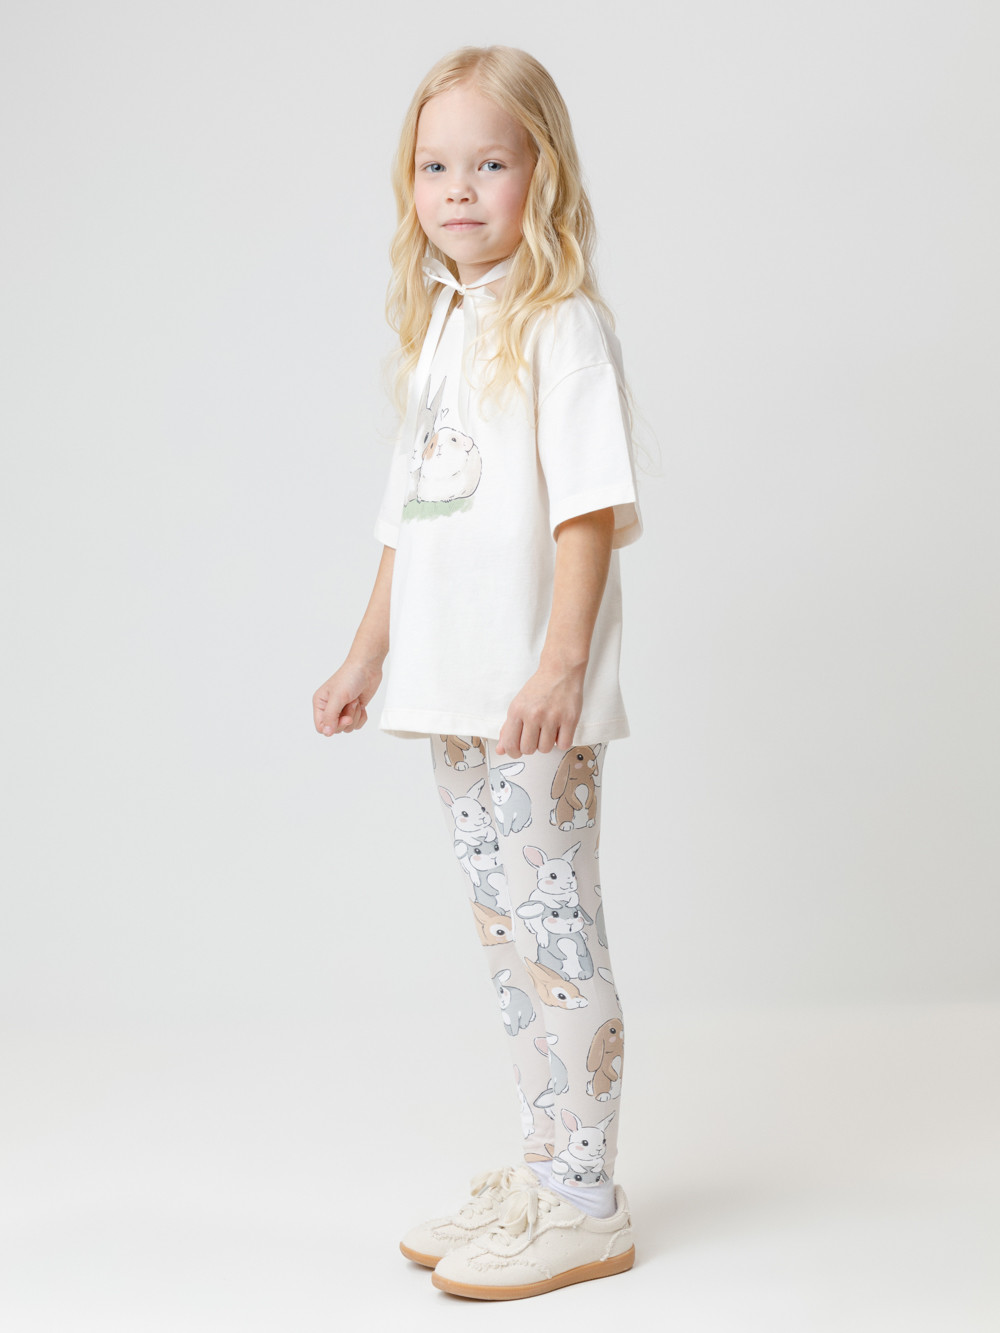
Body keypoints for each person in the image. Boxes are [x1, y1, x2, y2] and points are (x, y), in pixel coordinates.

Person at [312, 45, 646, 1301]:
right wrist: (367, 653)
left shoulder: (562, 327)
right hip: (449, 691)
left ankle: (586, 1202)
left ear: (539, 175)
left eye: (488, 163)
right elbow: (409, 519)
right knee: (508, 939)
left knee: (556, 933)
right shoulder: (447, 326)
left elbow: (588, 510)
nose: (457, 189)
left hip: (528, 699)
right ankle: (545, 1163)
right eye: (433, 166)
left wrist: (560, 667)